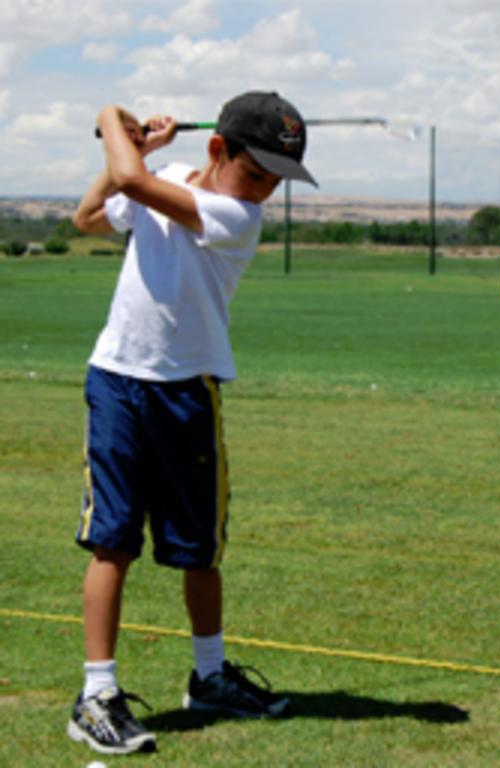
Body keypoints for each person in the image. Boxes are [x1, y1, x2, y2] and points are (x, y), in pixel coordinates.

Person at [67, 91, 317, 756]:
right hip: (119, 381)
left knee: (199, 550)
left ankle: (209, 677)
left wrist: (109, 119)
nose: (265, 190)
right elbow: (91, 216)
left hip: (188, 393)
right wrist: (142, 149)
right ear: (217, 149)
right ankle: (97, 696)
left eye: (276, 181)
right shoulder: (167, 180)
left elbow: (127, 180)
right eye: (258, 172)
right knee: (112, 541)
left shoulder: (236, 216)